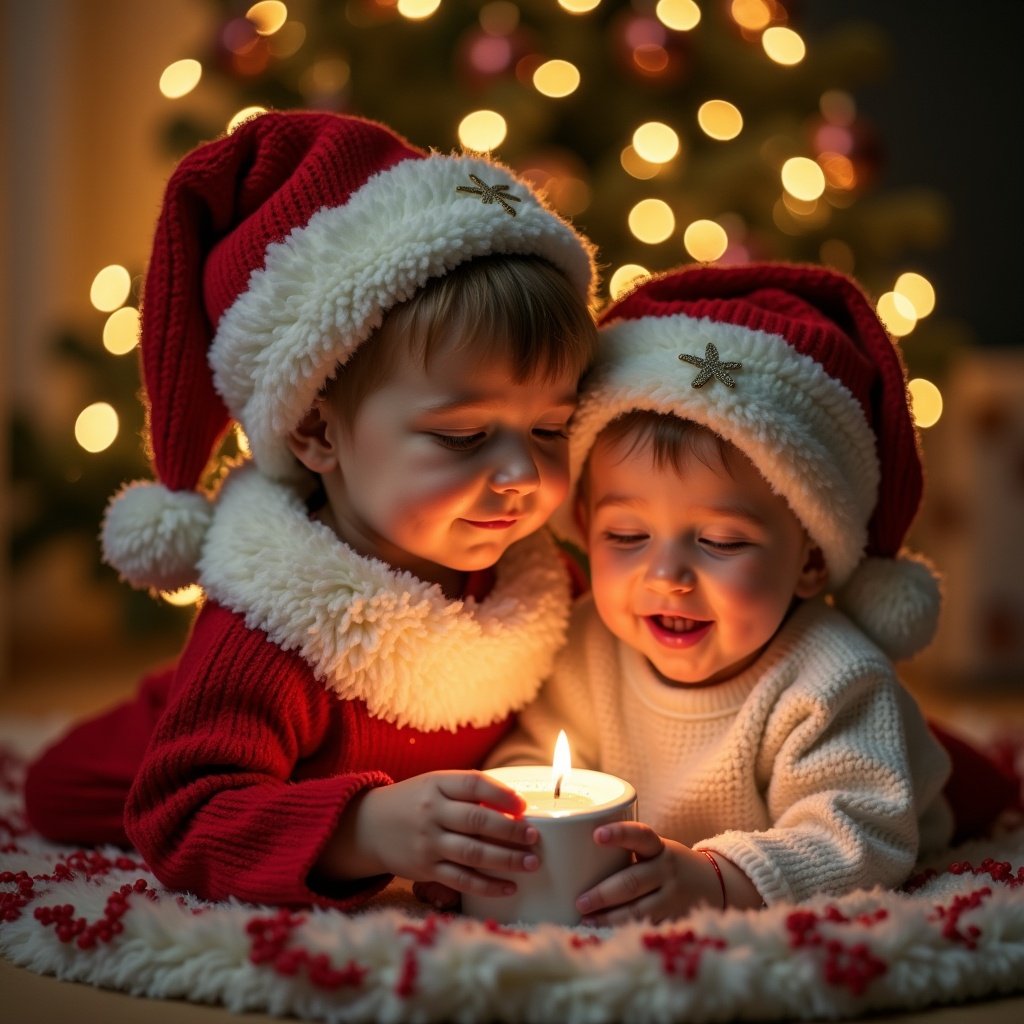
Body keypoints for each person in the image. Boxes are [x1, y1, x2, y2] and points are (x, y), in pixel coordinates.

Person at [23, 110, 599, 909]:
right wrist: (365, 827)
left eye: (550, 429)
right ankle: (168, 701)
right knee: (58, 782)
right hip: (132, 764)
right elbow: (179, 817)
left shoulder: (542, 586)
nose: (518, 473)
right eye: (462, 435)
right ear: (316, 433)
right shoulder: (272, 633)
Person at [489, 262, 961, 924]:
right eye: (626, 535)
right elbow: (537, 758)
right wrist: (497, 827)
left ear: (811, 562)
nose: (668, 576)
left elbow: (859, 837)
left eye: (722, 542)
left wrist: (720, 881)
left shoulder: (834, 681)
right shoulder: (587, 644)